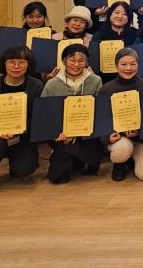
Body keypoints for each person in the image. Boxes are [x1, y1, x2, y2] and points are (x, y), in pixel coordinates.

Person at [0, 46, 43, 196]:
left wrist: (18, 129)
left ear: (28, 65)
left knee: (25, 169)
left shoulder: (36, 85)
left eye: (21, 62)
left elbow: (38, 117)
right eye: (11, 62)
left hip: (22, 135)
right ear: (4, 64)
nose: (16, 66)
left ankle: (15, 162)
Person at [100, 48, 143, 182]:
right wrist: (108, 137)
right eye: (123, 64)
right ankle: (121, 163)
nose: (128, 68)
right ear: (116, 65)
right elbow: (101, 120)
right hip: (120, 139)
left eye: (133, 64)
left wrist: (140, 131)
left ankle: (132, 159)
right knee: (121, 150)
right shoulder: (106, 89)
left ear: (138, 65)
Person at [41, 43, 103, 184]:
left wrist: (77, 130)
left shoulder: (95, 81)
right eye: (72, 60)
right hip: (61, 134)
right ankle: (70, 157)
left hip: (87, 132)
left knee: (89, 164)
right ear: (64, 62)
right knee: (59, 178)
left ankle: (80, 159)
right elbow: (45, 113)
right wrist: (60, 132)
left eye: (81, 60)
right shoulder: (52, 84)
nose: (76, 64)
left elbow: (99, 110)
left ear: (87, 63)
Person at [91, 1, 139, 82]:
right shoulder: (99, 34)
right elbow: (93, 59)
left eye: (124, 14)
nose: (120, 16)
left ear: (129, 17)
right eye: (117, 12)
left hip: (130, 77)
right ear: (110, 14)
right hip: (105, 79)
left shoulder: (135, 34)